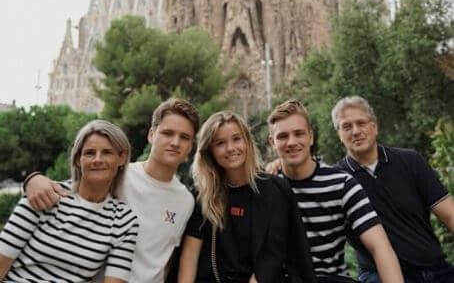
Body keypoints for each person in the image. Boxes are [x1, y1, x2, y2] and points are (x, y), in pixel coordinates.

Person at [23, 98, 200, 283]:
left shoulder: (186, 201)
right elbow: (62, 192)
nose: (175, 142)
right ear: (151, 134)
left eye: (184, 137)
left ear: (190, 145)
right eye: (167, 133)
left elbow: (168, 259)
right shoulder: (116, 174)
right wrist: (31, 180)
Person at [267, 100, 404, 283]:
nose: (292, 142)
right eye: (283, 136)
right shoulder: (267, 188)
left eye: (299, 133)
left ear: (311, 136)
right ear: (272, 143)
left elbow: (380, 248)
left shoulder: (342, 184)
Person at [178, 111, 316, 283]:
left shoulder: (274, 189)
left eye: (236, 139)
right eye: (220, 143)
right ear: (210, 151)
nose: (230, 148)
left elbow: (272, 255)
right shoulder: (203, 195)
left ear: (247, 141)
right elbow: (190, 255)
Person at [332, 96, 454, 283]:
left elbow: (450, 215)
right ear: (339, 134)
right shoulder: (335, 180)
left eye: (361, 123)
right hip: (378, 276)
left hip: (436, 271)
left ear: (374, 126)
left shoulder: (410, 161)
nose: (356, 131)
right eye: (347, 127)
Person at [0, 119, 138, 282]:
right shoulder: (45, 194)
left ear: (121, 158)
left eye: (107, 152)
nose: (97, 160)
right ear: (78, 159)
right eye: (89, 153)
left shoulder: (124, 220)